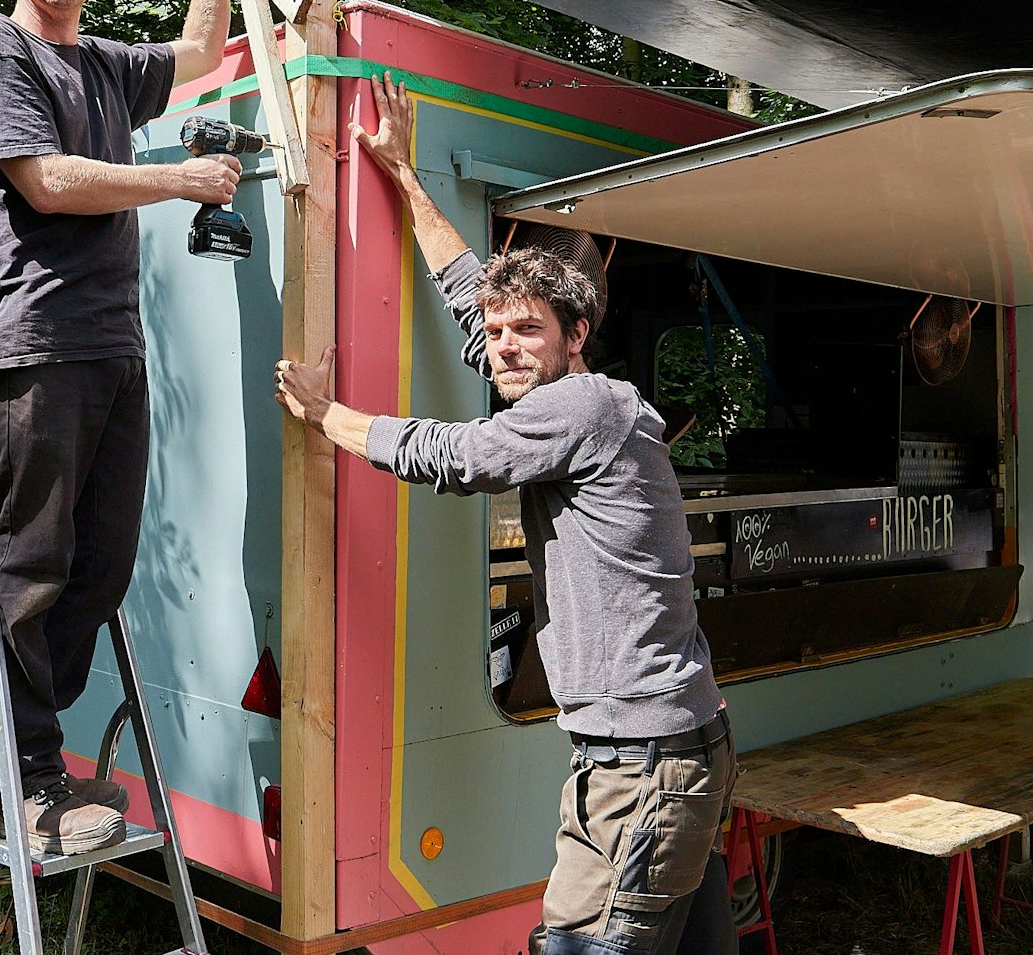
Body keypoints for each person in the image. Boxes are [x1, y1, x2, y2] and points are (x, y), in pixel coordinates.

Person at [274, 76, 740, 955]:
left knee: (578, 943)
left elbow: (453, 456)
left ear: (577, 332)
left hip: (642, 768)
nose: (503, 347)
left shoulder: (581, 410)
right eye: (496, 334)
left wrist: (323, 414)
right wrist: (405, 175)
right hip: (670, 748)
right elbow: (468, 296)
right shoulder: (583, 398)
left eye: (527, 329)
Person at [0, 0, 256, 856]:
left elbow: (201, 52)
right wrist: (176, 179)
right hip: (38, 339)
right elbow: (45, 180)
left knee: (101, 565)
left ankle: (18, 761)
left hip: (113, 347)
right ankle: (27, 781)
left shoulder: (105, 64)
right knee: (33, 569)